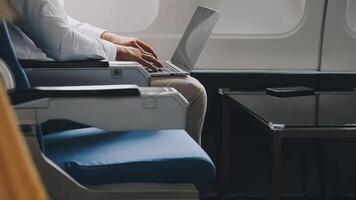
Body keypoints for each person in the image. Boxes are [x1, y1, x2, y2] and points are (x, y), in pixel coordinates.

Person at [8, 0, 207, 144]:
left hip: (54, 73)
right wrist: (118, 51)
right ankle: (184, 174)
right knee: (191, 91)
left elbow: (55, 21)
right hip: (48, 82)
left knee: (185, 85)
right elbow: (60, 43)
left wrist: (110, 38)